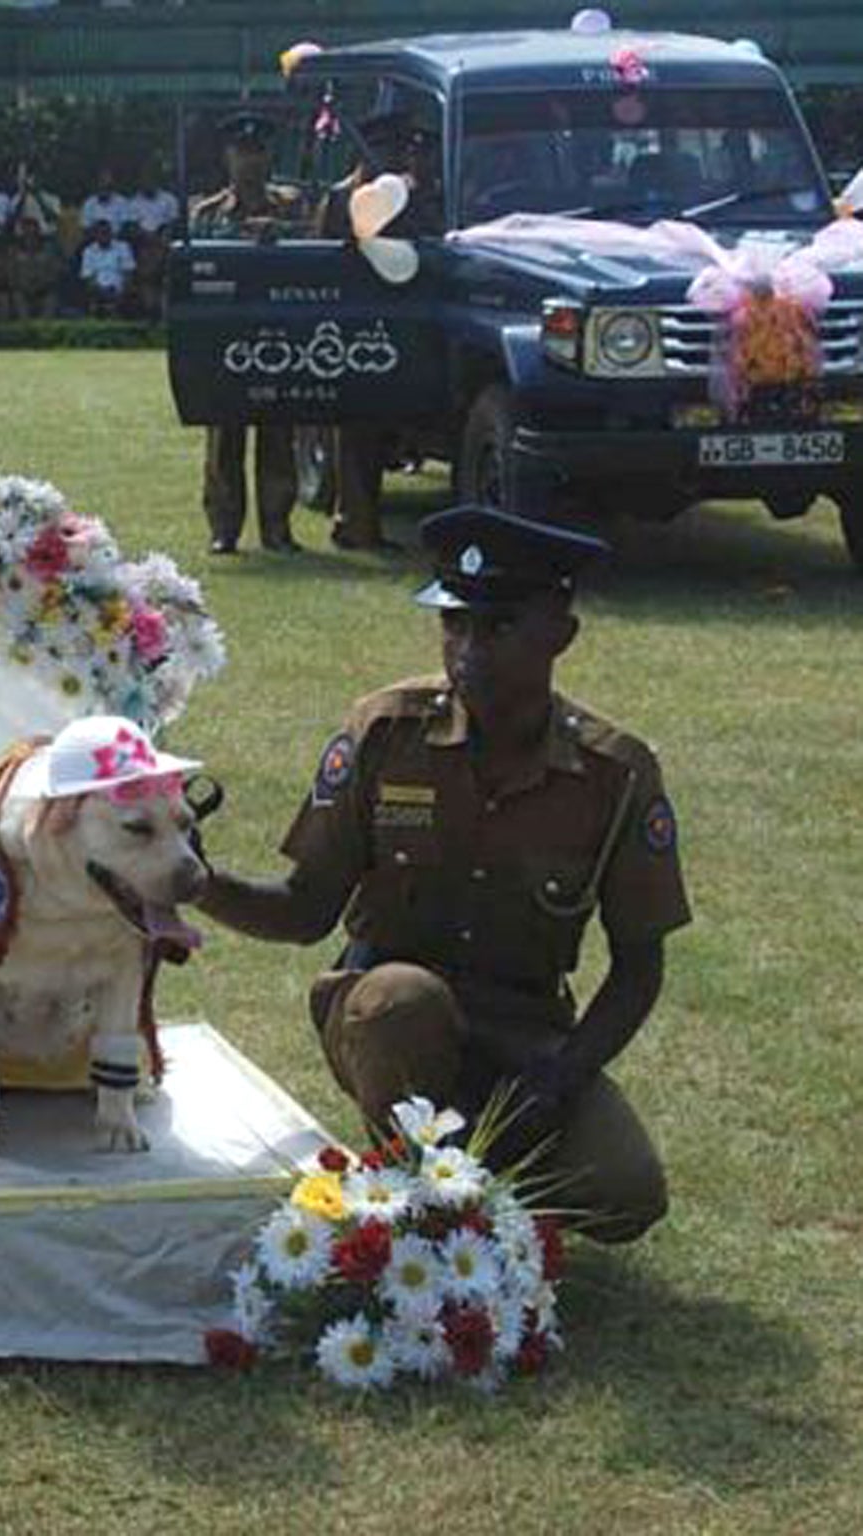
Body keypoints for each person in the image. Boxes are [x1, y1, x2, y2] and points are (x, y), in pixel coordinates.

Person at [196, 506, 686, 1243]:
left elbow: (640, 964)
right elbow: (303, 911)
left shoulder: (614, 774)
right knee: (402, 1002)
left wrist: (561, 1078)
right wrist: (194, 882)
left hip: (524, 1038)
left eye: (498, 628)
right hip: (385, 1012)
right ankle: (415, 1197)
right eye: (453, 625)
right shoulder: (388, 733)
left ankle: (478, 1181)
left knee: (624, 1192)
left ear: (561, 635)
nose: (468, 651)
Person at [316, 111, 446, 550]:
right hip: (352, 322)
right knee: (356, 430)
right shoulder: (340, 199)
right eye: (384, 149)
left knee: (378, 430)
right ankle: (354, 521)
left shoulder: (413, 197)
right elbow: (325, 258)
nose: (391, 158)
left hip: (402, 322)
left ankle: (359, 518)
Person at [189, 111, 307, 555]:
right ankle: (224, 528)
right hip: (225, 340)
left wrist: (281, 236)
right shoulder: (206, 214)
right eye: (242, 153)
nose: (250, 162)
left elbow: (315, 251)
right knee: (224, 439)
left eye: (257, 152)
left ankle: (277, 527)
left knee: (278, 435)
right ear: (227, 158)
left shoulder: (291, 207)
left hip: (278, 336)